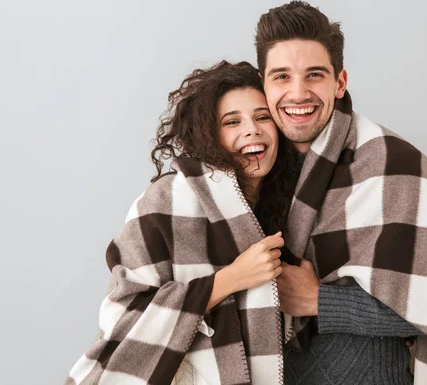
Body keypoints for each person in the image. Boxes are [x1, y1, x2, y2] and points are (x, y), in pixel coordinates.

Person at [255, 1, 427, 384]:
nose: (298, 93)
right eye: (281, 76)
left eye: (314, 75)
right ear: (262, 82)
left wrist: (319, 300)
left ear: (340, 82)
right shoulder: (248, 173)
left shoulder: (394, 166)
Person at [65, 61, 297, 385]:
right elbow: (123, 316)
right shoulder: (166, 201)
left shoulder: (290, 209)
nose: (252, 129)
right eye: (232, 121)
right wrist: (229, 280)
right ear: (210, 135)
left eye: (262, 117)